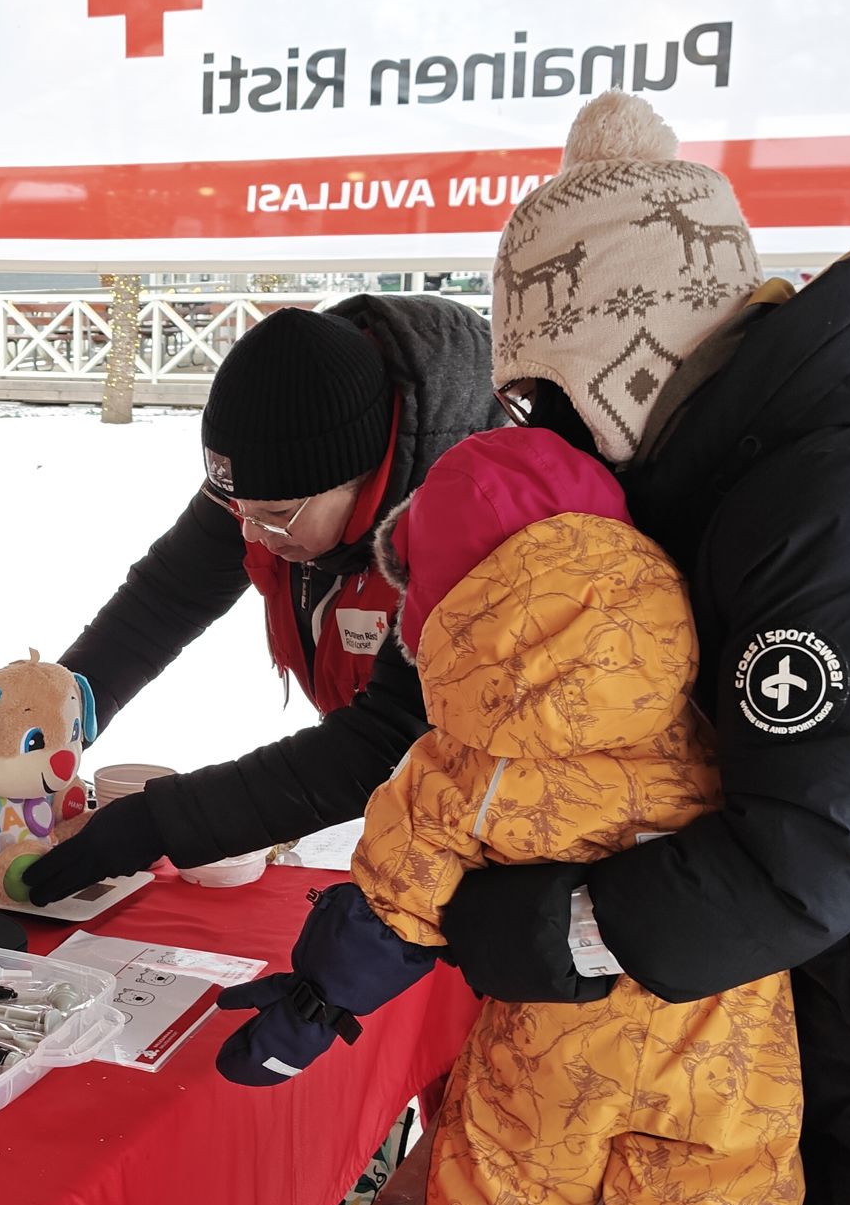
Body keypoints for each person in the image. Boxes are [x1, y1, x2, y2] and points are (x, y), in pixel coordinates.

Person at [436, 92, 850, 1205]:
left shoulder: (834, 498)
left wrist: (549, 928)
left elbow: (806, 855)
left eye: (538, 396)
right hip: (844, 1013)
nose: (538, 436)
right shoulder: (748, 461)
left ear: (622, 362)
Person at [215, 427, 802, 1205]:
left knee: (508, 1169)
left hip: (551, 1036)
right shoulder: (711, 705)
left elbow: (395, 900)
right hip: (721, 1029)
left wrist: (316, 1005)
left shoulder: (463, 764)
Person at [25, 295, 502, 907]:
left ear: (366, 475)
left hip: (512, 828)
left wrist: (163, 821)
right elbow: (162, 601)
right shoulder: (279, 470)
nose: (253, 535)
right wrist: (46, 721)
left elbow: (394, 737)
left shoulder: (476, 520)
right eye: (238, 510)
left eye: (276, 515)